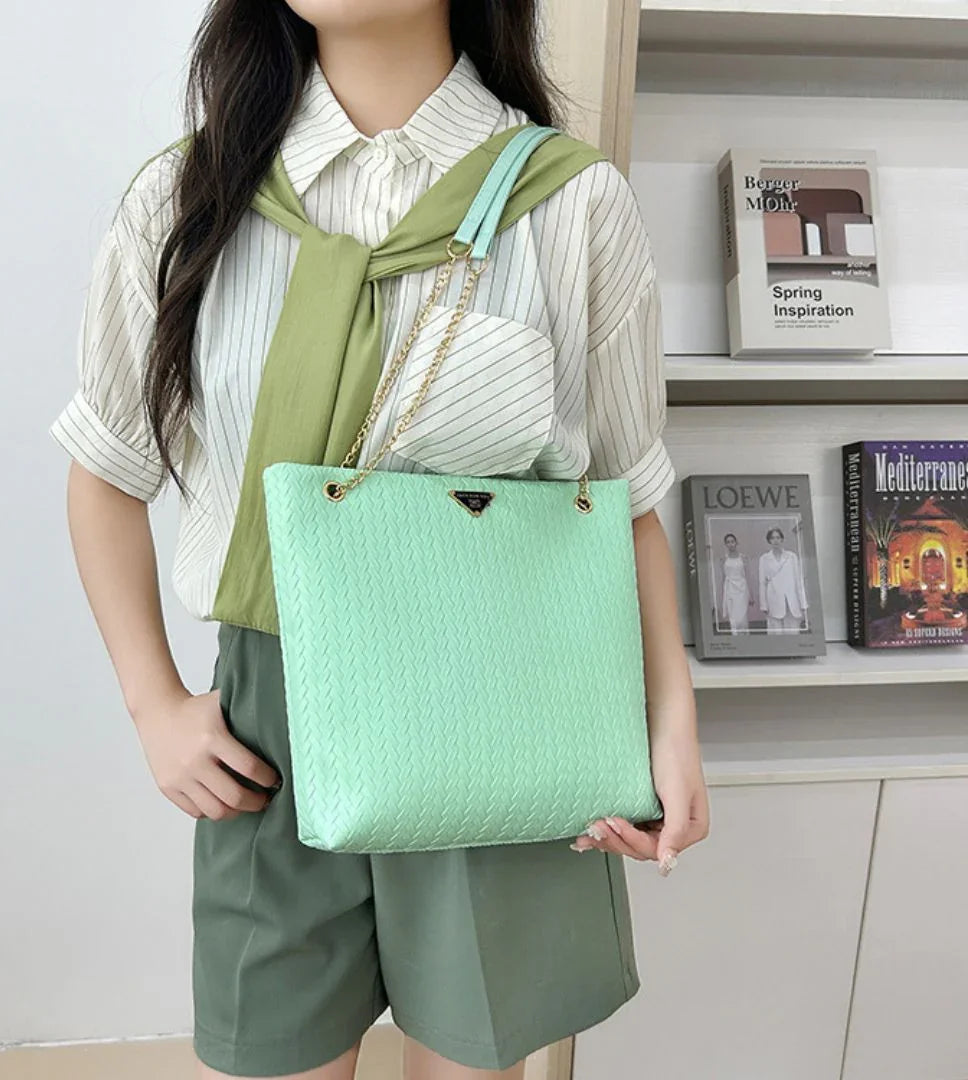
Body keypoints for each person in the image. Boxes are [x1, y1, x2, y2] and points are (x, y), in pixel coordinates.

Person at [49, 2, 709, 1077]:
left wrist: (672, 717)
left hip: (499, 693)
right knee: (274, 1055)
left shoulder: (572, 201)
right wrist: (153, 703)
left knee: (474, 1058)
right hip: (268, 718)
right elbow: (104, 468)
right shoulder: (186, 197)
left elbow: (622, 493)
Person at [758, 526, 808, 633]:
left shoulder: (791, 557)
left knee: (793, 632)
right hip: (774, 599)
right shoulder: (764, 559)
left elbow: (798, 580)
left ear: (782, 539)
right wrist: (764, 605)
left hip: (791, 600)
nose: (775, 540)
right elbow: (762, 583)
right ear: (769, 541)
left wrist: (803, 603)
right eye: (772, 538)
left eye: (778, 537)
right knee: (776, 632)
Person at [719, 532, 751, 633]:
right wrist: (722, 594)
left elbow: (748, 576)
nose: (730, 544)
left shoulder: (743, 558)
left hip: (742, 589)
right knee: (733, 616)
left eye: (732, 541)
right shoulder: (723, 559)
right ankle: (735, 636)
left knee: (742, 616)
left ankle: (745, 637)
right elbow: (723, 577)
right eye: (728, 542)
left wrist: (751, 595)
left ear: (736, 543)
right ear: (725, 544)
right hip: (729, 589)